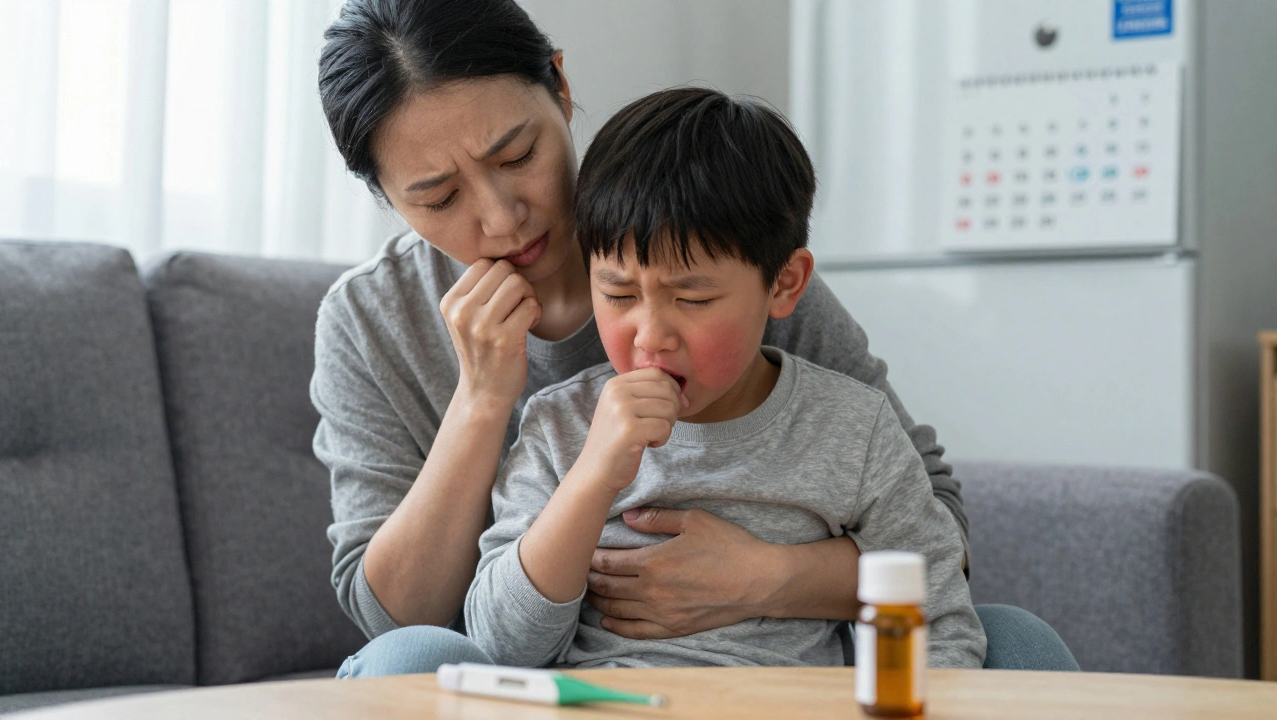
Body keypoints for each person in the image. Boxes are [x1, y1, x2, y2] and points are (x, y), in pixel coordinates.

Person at [312, 0, 1078, 676]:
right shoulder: (374, 321)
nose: (503, 217)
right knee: (405, 662)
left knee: (1018, 642)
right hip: (533, 674)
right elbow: (399, 619)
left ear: (561, 86)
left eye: (518, 156)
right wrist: (482, 403)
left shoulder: (720, 256)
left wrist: (769, 577)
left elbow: (935, 523)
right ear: (387, 198)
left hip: (792, 662)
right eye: (439, 197)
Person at [464, 87, 986, 669]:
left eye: (693, 297)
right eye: (617, 293)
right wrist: (590, 479)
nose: (650, 334)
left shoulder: (851, 428)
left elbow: (938, 616)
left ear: (785, 284)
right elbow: (499, 645)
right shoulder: (559, 426)